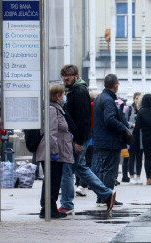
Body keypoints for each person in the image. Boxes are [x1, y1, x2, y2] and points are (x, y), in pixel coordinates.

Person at [59, 65, 116, 214]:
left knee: (68, 169)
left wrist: (78, 140)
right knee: (81, 168)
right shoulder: (73, 91)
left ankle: (67, 204)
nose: (66, 78)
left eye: (69, 75)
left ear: (76, 76)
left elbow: (84, 118)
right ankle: (106, 193)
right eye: (64, 75)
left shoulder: (78, 92)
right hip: (77, 137)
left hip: (77, 138)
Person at [37, 85, 73, 219]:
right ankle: (47, 208)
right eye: (63, 94)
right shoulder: (52, 109)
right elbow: (51, 132)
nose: (64, 97)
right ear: (57, 96)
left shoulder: (56, 108)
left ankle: (49, 208)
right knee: (52, 181)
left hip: (56, 150)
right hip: (52, 152)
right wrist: (53, 151)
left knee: (53, 181)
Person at [93, 74, 127, 206]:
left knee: (103, 170)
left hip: (101, 140)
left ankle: (101, 197)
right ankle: (107, 197)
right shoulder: (108, 100)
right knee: (110, 171)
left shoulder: (100, 97)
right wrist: (123, 128)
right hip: (110, 141)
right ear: (116, 85)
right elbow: (109, 119)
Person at [124, 92, 143, 185]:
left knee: (139, 157)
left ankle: (138, 176)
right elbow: (124, 120)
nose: (137, 100)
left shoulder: (142, 110)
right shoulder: (129, 108)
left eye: (139, 99)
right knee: (131, 157)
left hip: (141, 137)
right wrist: (132, 124)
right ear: (134, 99)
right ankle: (131, 176)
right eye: (136, 98)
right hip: (131, 136)